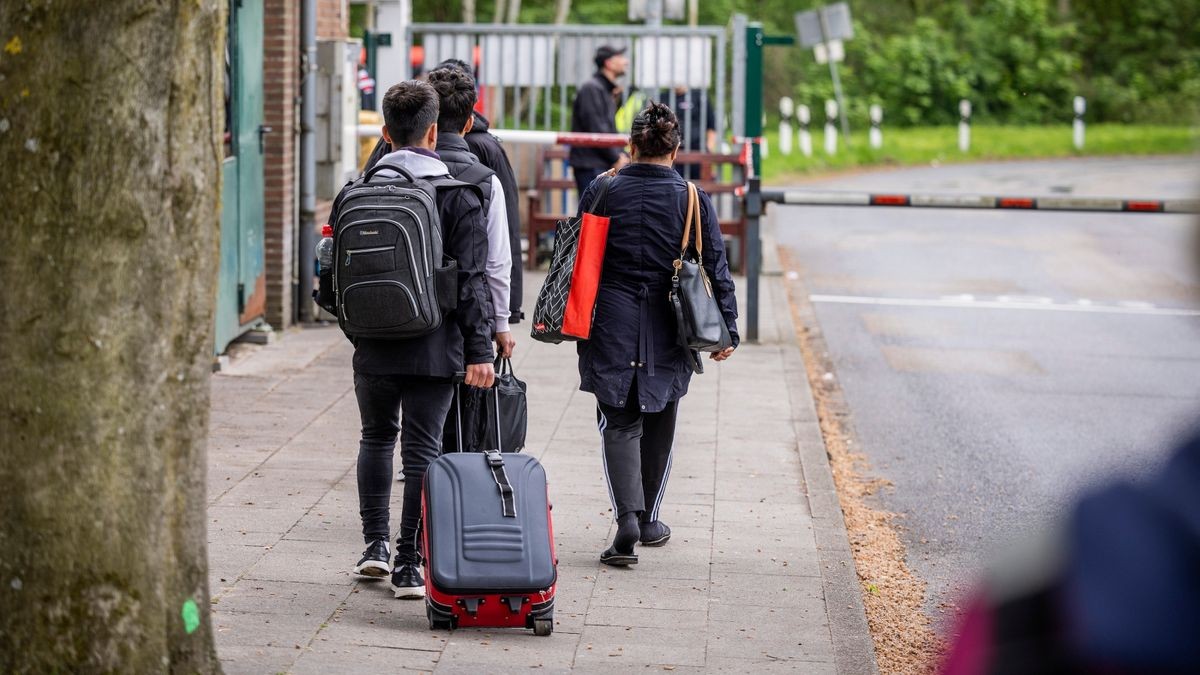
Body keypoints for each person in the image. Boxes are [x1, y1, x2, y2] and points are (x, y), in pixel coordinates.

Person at [338, 80, 496, 599]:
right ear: (434, 131)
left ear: (384, 133)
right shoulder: (458, 193)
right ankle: (410, 564)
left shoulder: (354, 194)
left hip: (374, 342)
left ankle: (373, 548)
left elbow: (329, 279)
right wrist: (480, 351)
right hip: (435, 343)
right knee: (422, 450)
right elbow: (471, 282)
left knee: (376, 438)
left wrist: (359, 327)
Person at [575, 102, 739, 567]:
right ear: (676, 148)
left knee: (619, 420)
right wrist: (728, 328)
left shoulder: (602, 190)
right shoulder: (692, 197)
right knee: (662, 410)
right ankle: (649, 519)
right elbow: (715, 268)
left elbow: (579, 255)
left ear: (631, 144)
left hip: (610, 315)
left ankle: (627, 518)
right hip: (670, 322)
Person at [364, 58, 524, 326]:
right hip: (463, 316)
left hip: (386, 313)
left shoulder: (386, 154)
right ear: (469, 121)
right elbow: (501, 252)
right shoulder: (485, 165)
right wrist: (503, 318)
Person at [426, 64, 514, 360]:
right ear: (468, 123)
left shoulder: (396, 169)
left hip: (403, 312)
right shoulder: (485, 180)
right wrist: (501, 321)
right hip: (466, 323)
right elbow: (497, 262)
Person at [569, 44, 630, 196]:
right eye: (620, 57)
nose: (626, 62)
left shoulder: (602, 89)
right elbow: (596, 128)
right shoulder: (592, 89)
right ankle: (568, 222)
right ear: (608, 63)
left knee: (597, 215)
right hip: (591, 165)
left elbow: (606, 128)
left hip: (599, 163)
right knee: (591, 217)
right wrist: (616, 157)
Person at [667, 85, 716, 180]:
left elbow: (711, 127)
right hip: (672, 155)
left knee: (700, 190)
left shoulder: (700, 97)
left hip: (698, 153)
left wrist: (708, 151)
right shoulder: (664, 97)